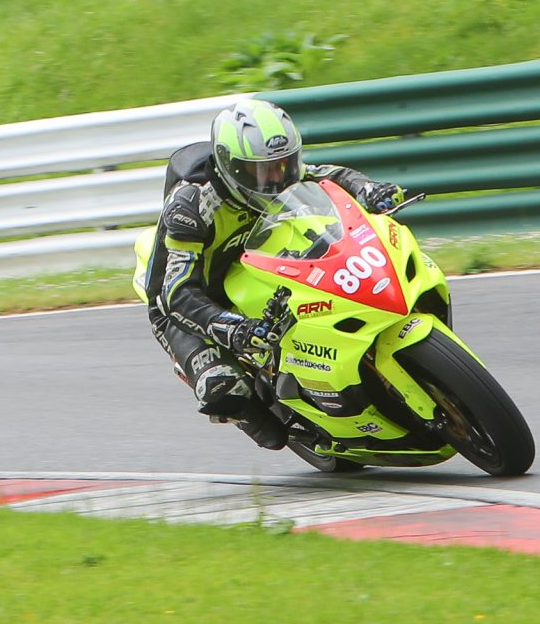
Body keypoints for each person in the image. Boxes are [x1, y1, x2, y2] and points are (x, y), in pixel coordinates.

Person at [143, 100, 416, 445]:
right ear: (231, 167)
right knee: (226, 390)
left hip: (253, 263)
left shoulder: (285, 172)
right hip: (186, 304)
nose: (275, 179)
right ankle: (257, 413)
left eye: (283, 166)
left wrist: (368, 189)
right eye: (261, 171)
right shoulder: (192, 206)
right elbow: (175, 294)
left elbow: (329, 177)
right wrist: (231, 328)